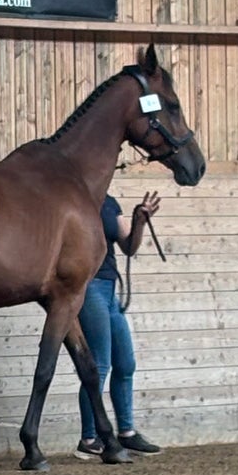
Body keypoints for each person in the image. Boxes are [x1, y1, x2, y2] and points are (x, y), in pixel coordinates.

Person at [75, 190, 163, 461]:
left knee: (125, 363)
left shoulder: (110, 202)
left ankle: (126, 432)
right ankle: (89, 438)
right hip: (88, 286)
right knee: (99, 365)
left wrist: (140, 221)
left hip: (110, 287)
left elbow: (129, 246)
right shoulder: (74, 198)